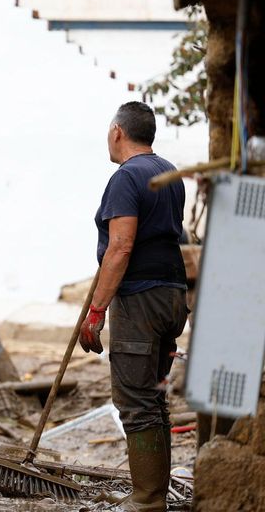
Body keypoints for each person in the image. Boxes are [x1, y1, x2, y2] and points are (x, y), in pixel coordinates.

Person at [79, 101, 187, 512]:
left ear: (118, 132)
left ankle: (146, 501)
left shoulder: (125, 177)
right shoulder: (168, 173)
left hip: (140, 298)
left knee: (136, 402)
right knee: (153, 400)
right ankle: (152, 494)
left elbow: (121, 245)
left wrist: (96, 310)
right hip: (173, 296)